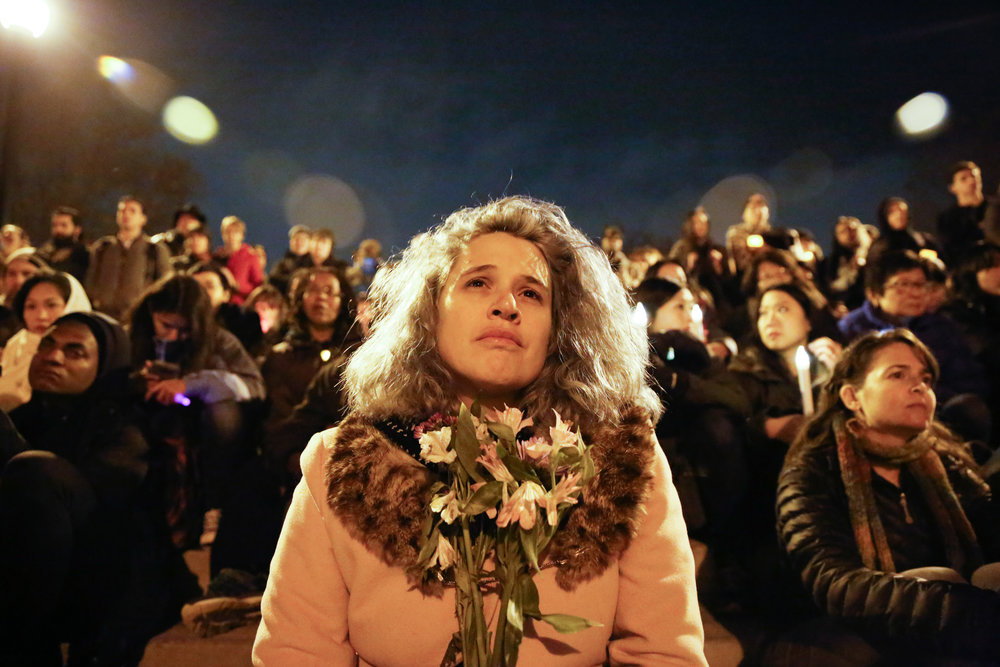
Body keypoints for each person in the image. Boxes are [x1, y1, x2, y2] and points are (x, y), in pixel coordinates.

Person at [253, 196, 707, 664]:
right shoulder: (339, 466)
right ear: (430, 313)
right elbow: (296, 653)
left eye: (532, 293)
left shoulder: (623, 463)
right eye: (477, 282)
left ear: (559, 329)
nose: (506, 305)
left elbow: (664, 653)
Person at [775, 329, 1000, 664]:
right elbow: (835, 584)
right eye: (897, 374)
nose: (919, 386)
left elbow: (991, 525)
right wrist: (958, 606)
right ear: (852, 397)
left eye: (925, 379)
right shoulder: (813, 470)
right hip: (848, 630)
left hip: (946, 614)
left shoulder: (941, 459)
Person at [0, 312, 198, 664]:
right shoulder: (25, 418)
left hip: (104, 587)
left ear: (105, 366)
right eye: (47, 344)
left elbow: (69, 496)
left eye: (75, 352)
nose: (53, 357)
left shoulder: (127, 429)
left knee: (36, 472)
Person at [128, 275, 265, 547]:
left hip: (203, 424)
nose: (175, 336)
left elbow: (254, 385)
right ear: (152, 312)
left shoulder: (220, 341)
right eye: (167, 326)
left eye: (185, 330)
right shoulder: (132, 335)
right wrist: (138, 383)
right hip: (147, 418)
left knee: (225, 415)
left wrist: (190, 384)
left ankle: (214, 508)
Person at [634, 277, 750, 542]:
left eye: (692, 307)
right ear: (651, 314)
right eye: (679, 307)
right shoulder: (634, 361)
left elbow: (737, 399)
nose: (691, 316)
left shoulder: (696, 355)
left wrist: (682, 383)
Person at [838, 250, 989, 443]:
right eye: (903, 285)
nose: (915, 293)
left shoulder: (940, 326)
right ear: (874, 293)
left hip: (937, 412)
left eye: (920, 285)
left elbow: (969, 378)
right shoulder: (852, 330)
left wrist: (926, 396)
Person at [261, 267, 359, 429]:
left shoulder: (358, 355)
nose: (321, 297)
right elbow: (279, 421)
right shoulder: (281, 357)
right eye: (313, 290)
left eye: (329, 291)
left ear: (342, 299)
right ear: (301, 298)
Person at [0, 272, 91, 412]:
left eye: (51, 305)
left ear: (72, 305)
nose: (41, 316)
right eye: (31, 306)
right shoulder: (18, 343)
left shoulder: (83, 352)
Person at [85, 195, 171, 320]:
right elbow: (91, 279)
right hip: (102, 315)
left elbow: (165, 283)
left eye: (132, 211)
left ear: (143, 218)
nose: (126, 215)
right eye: (122, 210)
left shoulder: (154, 250)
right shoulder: (103, 247)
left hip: (137, 318)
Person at [937, 160, 986, 267]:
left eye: (974, 176)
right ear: (952, 187)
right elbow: (948, 251)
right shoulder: (947, 218)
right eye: (963, 179)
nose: (971, 181)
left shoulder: (995, 209)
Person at [866, 196, 939, 269]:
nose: (899, 215)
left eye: (902, 210)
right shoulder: (878, 248)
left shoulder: (924, 241)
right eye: (892, 211)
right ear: (885, 215)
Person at [214, 215, 264, 305]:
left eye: (235, 232)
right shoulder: (216, 257)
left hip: (240, 306)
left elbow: (258, 286)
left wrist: (236, 285)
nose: (231, 235)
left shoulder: (250, 256)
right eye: (227, 232)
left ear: (242, 235)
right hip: (218, 304)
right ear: (222, 234)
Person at [35, 205, 90, 281]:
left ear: (77, 229)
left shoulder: (83, 254)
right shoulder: (44, 251)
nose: (58, 230)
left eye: (64, 225)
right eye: (55, 225)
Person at [267, 225, 312, 296]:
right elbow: (273, 280)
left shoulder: (314, 264)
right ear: (290, 242)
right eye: (296, 239)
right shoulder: (282, 264)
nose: (299, 242)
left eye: (303, 239)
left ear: (310, 242)